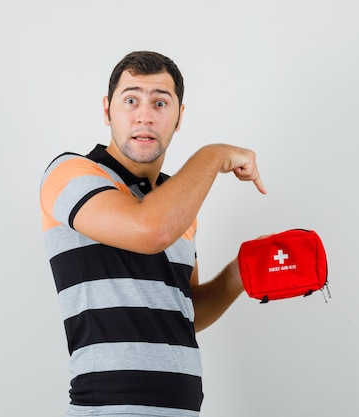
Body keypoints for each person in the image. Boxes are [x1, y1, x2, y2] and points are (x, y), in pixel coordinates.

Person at [39, 51, 266, 417]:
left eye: (160, 103)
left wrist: (240, 272)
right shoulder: (70, 173)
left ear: (179, 118)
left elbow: (183, 310)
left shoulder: (177, 201)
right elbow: (151, 229)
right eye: (131, 100)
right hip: (108, 409)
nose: (144, 115)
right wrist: (213, 154)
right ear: (107, 110)